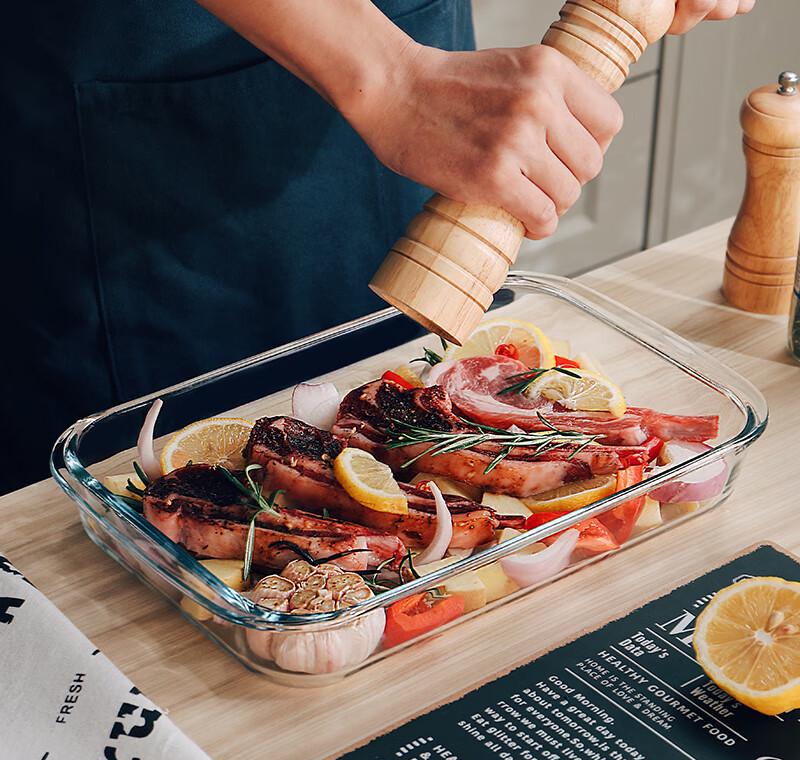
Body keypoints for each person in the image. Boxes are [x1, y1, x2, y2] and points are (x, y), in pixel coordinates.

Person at [2, 0, 755, 494]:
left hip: (413, 58)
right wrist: (389, 74)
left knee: (421, 430)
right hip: (133, 112)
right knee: (149, 509)